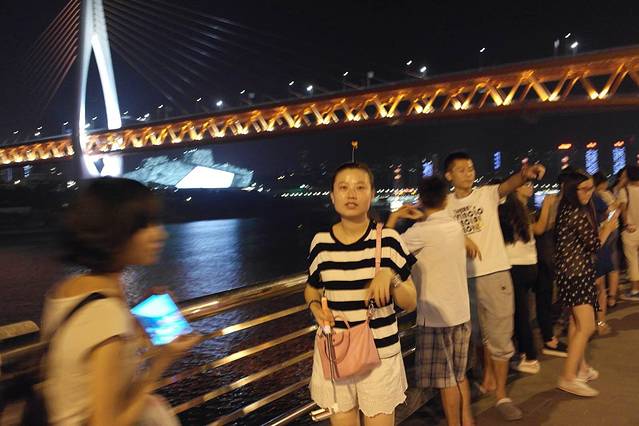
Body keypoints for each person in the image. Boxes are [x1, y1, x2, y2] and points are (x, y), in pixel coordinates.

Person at [41, 178, 200, 426]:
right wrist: (161, 361)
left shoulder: (68, 290)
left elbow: (84, 356)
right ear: (115, 232)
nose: (160, 234)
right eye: (145, 225)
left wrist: (132, 323)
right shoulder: (105, 311)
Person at [305, 162, 417, 426]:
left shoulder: (389, 239)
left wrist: (391, 277)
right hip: (336, 350)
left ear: (372, 194)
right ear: (332, 196)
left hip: (380, 356)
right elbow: (312, 286)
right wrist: (315, 307)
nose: (351, 194)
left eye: (360, 187)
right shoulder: (320, 243)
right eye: (343, 187)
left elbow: (411, 301)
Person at [443, 152, 545, 421]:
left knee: (500, 336)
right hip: (463, 279)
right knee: (476, 335)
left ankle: (501, 395)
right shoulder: (445, 205)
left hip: (495, 274)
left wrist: (524, 174)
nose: (468, 173)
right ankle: (486, 378)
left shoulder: (486, 194)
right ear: (449, 176)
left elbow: (508, 185)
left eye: (471, 168)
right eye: (461, 169)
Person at [387, 176, 474, 426]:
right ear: (446, 198)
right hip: (461, 314)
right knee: (459, 375)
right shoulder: (454, 226)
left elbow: (387, 249)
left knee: (446, 381)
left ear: (422, 199)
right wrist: (423, 215)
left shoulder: (418, 233)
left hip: (437, 319)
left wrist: (395, 217)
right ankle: (467, 420)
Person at [555, 171, 618, 397]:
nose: (589, 193)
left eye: (591, 188)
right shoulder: (575, 213)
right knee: (587, 326)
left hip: (571, 273)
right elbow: (594, 245)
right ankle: (568, 378)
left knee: (576, 323)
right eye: (584, 189)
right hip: (576, 274)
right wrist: (608, 228)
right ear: (572, 190)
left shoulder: (567, 208)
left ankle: (580, 369)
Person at [498, 182, 553, 374]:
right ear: (516, 188)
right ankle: (527, 352)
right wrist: (546, 206)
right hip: (529, 265)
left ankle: (528, 356)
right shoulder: (517, 209)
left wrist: (546, 207)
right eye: (526, 184)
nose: (531, 187)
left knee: (520, 314)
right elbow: (538, 230)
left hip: (516, 266)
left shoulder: (510, 209)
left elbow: (538, 229)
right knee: (524, 312)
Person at [591, 171, 619, 333]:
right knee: (596, 287)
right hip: (590, 247)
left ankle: (600, 321)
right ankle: (594, 322)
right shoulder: (594, 198)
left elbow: (611, 211)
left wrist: (608, 226)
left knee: (600, 286)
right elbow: (612, 211)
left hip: (599, 244)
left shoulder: (595, 198)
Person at [617, 165, 639, 301]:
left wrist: (625, 224)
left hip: (631, 230)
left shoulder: (624, 190)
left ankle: (635, 290)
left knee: (632, 260)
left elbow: (623, 210)